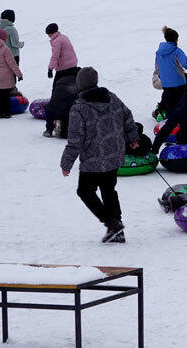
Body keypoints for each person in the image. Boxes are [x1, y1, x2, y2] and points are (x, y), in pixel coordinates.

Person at [60, 67, 139, 243]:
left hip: (92, 160)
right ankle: (116, 227)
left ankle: (112, 224)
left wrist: (66, 163)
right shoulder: (112, 98)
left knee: (85, 191)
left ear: (80, 85)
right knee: (108, 190)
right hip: (114, 155)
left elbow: (75, 140)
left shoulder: (79, 108)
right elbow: (127, 117)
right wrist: (132, 138)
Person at [154, 27, 187, 119]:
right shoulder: (177, 51)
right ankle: (183, 122)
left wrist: (164, 79)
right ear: (176, 39)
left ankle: (169, 123)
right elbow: (186, 64)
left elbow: (157, 69)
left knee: (169, 105)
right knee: (180, 103)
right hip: (178, 83)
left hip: (166, 84)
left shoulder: (158, 53)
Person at [44, 66, 80, 138]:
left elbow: (54, 95)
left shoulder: (60, 80)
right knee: (65, 133)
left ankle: (49, 130)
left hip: (51, 108)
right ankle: (63, 131)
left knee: (50, 112)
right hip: (65, 112)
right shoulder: (77, 84)